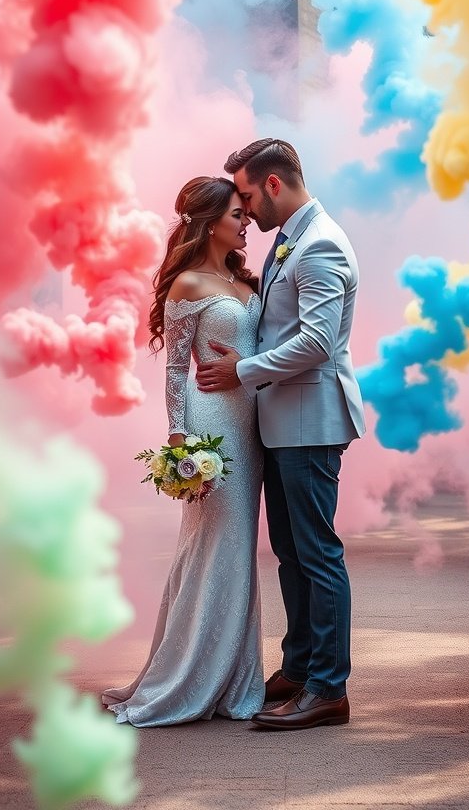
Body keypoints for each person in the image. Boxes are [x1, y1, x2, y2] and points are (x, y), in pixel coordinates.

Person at [196, 139, 365, 731]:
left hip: (309, 424)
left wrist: (241, 370)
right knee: (292, 553)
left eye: (245, 193)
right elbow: (280, 326)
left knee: (318, 555)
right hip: (282, 422)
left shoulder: (318, 245)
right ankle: (299, 668)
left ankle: (328, 689)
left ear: (272, 184)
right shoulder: (291, 238)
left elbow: (317, 343)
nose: (242, 207)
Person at [102, 176, 265, 725]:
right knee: (215, 543)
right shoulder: (189, 284)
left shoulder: (245, 279)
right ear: (210, 221)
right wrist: (180, 445)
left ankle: (230, 675)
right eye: (238, 214)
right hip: (212, 422)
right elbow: (175, 370)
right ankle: (190, 674)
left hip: (252, 424)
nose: (247, 222)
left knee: (239, 545)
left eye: (246, 214)